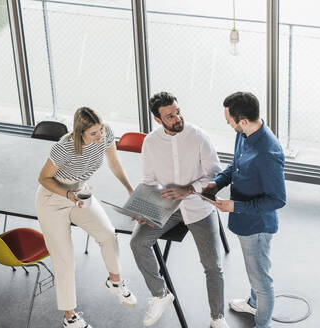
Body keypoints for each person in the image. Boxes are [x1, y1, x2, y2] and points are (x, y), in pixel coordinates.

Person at [130, 92, 229, 328]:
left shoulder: (198, 136)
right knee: (137, 242)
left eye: (177, 112)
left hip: (199, 207)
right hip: (167, 206)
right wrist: (144, 207)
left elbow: (216, 175)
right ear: (157, 119)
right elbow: (149, 181)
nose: (177, 118)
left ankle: (217, 317)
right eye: (169, 116)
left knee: (212, 266)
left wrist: (189, 189)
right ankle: (160, 294)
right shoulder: (150, 143)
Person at [35, 107, 137, 328]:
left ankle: (115, 282)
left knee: (108, 234)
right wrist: (67, 194)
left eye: (100, 129)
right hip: (53, 198)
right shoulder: (64, 148)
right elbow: (43, 178)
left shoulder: (105, 134)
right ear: (80, 133)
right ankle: (70, 317)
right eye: (94, 133)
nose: (100, 136)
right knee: (65, 260)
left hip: (80, 193)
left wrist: (129, 189)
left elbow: (113, 161)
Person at [202, 92, 286, 328]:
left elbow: (278, 199)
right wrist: (217, 183)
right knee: (257, 268)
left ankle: (263, 324)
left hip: (256, 226)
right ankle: (252, 303)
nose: (228, 123)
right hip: (244, 220)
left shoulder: (268, 154)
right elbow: (236, 164)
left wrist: (235, 206)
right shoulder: (245, 134)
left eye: (229, 120)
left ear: (243, 121)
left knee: (260, 278)